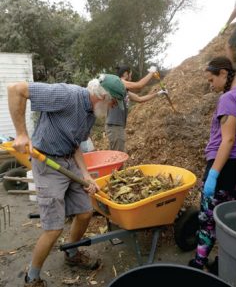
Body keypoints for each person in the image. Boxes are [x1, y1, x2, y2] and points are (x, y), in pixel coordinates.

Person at [8, 74, 126, 287]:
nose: (114, 107)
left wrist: (86, 175)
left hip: (69, 160)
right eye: (114, 102)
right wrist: (21, 134)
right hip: (47, 163)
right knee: (53, 227)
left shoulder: (91, 112)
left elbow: (76, 145)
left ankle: (72, 253)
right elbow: (16, 89)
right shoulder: (66, 95)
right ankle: (32, 278)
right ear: (103, 96)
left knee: (85, 212)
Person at [188, 56, 236, 271]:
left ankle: (199, 263)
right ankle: (224, 263)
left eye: (211, 80)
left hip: (223, 166)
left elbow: (227, 139)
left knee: (208, 219)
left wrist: (213, 175)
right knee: (230, 218)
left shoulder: (228, 98)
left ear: (224, 73)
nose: (211, 86)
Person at [105, 65, 164, 151]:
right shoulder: (119, 82)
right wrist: (151, 72)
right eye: (130, 75)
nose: (131, 77)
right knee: (119, 156)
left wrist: (158, 93)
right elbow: (139, 85)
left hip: (117, 127)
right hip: (115, 127)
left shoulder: (123, 91)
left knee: (116, 155)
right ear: (125, 74)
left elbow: (139, 99)